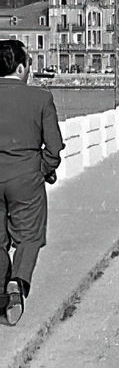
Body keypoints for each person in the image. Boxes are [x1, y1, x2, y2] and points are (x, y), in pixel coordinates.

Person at [0, 41, 62, 326]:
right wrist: (43, 170)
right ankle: (18, 281)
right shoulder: (40, 97)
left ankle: (2, 296)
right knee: (30, 237)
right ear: (21, 67)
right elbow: (54, 147)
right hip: (26, 178)